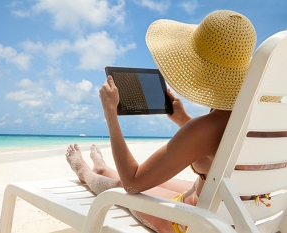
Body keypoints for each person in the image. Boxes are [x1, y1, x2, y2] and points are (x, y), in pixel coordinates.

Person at [64, 10, 279, 233]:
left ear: (199, 70)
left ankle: (86, 173)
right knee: (157, 182)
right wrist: (183, 120)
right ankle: (104, 167)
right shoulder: (268, 119)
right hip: (246, 214)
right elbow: (218, 149)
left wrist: (110, 113)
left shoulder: (205, 129)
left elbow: (132, 182)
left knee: (122, 186)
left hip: (199, 225)